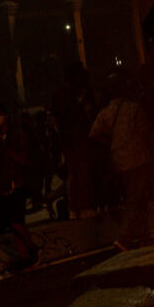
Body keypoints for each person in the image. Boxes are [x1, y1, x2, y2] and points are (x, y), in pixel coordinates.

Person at [89, 70, 154, 248]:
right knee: (136, 199)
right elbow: (146, 132)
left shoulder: (107, 110)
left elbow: (94, 134)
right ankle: (123, 238)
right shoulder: (134, 108)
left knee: (136, 197)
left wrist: (111, 141)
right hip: (139, 158)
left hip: (118, 159)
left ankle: (144, 235)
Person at [0, 106, 38, 267]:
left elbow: (24, 159)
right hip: (3, 183)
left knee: (17, 221)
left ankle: (30, 250)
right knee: (12, 223)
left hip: (17, 182)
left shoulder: (18, 135)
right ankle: (25, 253)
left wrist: (7, 151)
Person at [52, 62, 100, 220]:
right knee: (85, 174)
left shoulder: (59, 94)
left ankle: (73, 209)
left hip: (66, 140)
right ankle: (86, 207)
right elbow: (90, 113)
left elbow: (54, 120)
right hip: (82, 138)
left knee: (72, 175)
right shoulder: (81, 92)